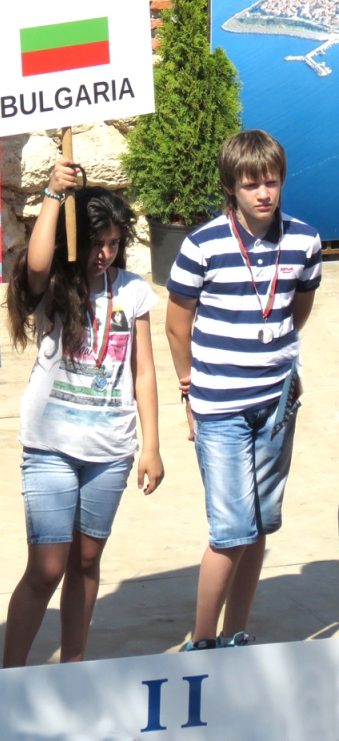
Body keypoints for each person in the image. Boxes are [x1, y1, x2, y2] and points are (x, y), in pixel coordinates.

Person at [2, 161, 164, 667]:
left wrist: (152, 446)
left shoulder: (133, 290)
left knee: (87, 560)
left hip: (111, 450)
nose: (105, 254)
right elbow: (35, 263)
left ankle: (74, 665)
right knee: (47, 567)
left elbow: (143, 372)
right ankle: (9, 675)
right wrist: (53, 194)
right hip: (50, 446)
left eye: (114, 243)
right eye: (97, 242)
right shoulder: (55, 284)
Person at [166, 130, 321, 650]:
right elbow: (177, 326)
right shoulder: (202, 244)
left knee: (258, 526)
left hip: (276, 406)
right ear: (231, 187)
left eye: (271, 182)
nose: (263, 193)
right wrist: (189, 390)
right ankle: (201, 641)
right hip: (221, 408)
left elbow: (298, 309)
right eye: (251, 184)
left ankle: (236, 633)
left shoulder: (304, 240)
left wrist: (277, 357)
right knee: (230, 530)